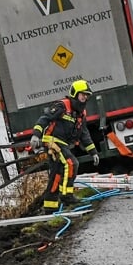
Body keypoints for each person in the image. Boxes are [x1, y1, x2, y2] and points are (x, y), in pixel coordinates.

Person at [29, 78, 102, 213]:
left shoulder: (81, 114)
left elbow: (84, 134)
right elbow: (44, 119)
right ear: (75, 94)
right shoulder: (62, 106)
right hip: (52, 141)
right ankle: (66, 195)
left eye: (87, 96)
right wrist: (35, 135)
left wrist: (93, 152)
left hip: (63, 143)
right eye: (82, 95)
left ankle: (50, 207)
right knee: (71, 163)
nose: (84, 99)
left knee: (56, 174)